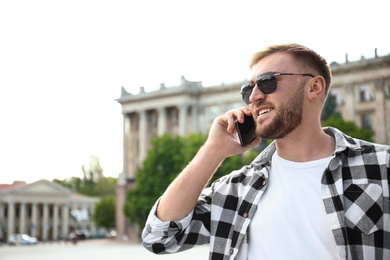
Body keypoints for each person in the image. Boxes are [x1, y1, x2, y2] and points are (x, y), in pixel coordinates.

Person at [141, 43, 390, 259]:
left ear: (314, 87)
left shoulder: (381, 166)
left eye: (268, 82)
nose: (255, 97)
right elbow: (160, 237)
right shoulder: (236, 189)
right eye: (248, 90)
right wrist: (213, 150)